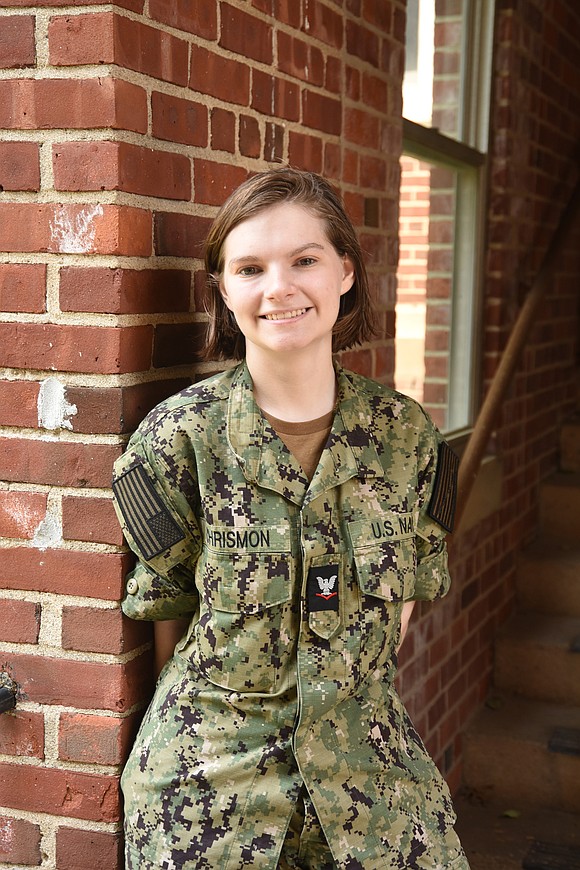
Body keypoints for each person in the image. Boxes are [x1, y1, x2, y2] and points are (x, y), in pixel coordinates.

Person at [112, 167, 470, 869]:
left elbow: (403, 605)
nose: (279, 286)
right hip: (209, 788)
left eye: (303, 260)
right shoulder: (179, 438)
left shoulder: (406, 437)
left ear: (344, 270)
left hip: (369, 777)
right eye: (250, 268)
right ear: (225, 288)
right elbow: (168, 617)